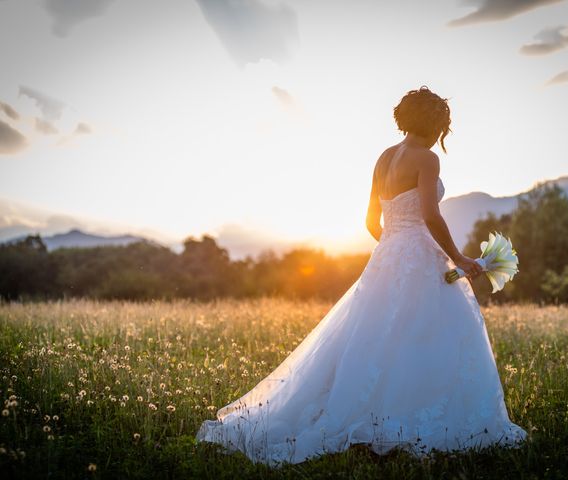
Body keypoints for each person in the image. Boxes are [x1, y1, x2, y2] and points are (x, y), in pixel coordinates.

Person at [196, 86, 526, 465]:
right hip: (418, 254)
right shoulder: (428, 159)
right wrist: (458, 257)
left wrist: (394, 246)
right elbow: (431, 215)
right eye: (443, 125)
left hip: (387, 255)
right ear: (435, 123)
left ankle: (374, 416)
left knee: (374, 336)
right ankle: (406, 418)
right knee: (424, 334)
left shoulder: (385, 157)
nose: (442, 133)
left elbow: (371, 221)